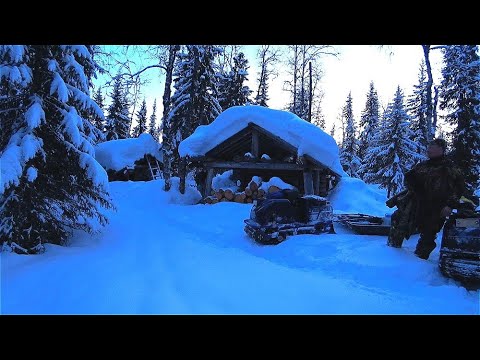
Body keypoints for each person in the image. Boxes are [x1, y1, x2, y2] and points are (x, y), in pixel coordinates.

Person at [387, 138, 465, 260]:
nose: (428, 149)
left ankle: (419, 262)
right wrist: (413, 185)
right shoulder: (423, 165)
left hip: (437, 206)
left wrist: (450, 205)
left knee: (428, 233)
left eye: (432, 147)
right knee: (398, 219)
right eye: (429, 147)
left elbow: (459, 188)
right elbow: (409, 178)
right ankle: (391, 251)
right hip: (417, 203)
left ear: (441, 149)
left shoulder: (450, 168)